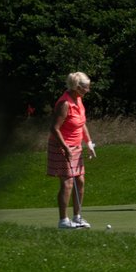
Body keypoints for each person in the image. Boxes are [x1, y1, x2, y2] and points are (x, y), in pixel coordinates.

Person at [47, 71, 96, 230]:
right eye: (85, 87)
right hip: (61, 146)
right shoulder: (65, 103)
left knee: (80, 181)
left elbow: (81, 124)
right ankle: (63, 220)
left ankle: (77, 217)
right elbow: (54, 128)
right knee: (67, 183)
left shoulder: (79, 99)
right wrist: (65, 147)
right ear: (76, 87)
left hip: (76, 146)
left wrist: (88, 142)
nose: (88, 90)